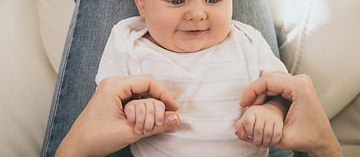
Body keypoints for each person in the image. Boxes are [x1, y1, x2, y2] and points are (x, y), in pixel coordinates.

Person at [28, 0, 290, 156]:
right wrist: (136, 109)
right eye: (177, 1)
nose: (198, 14)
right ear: (141, 3)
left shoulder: (247, 39)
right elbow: (109, 104)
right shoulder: (131, 43)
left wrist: (272, 110)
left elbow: (282, 91)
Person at [55, 73, 342, 157]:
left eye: (212, 1)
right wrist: (271, 111)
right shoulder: (245, 37)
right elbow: (280, 93)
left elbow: (116, 103)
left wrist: (137, 109)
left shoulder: (130, 38)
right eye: (179, 1)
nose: (197, 14)